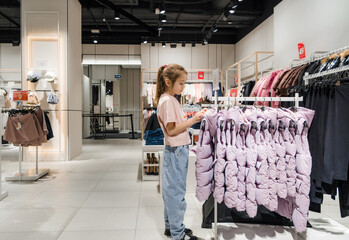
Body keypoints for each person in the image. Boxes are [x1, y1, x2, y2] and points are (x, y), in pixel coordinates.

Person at [156, 64, 204, 240]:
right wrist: (194, 120)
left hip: (174, 150)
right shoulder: (168, 101)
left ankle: (172, 228)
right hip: (176, 150)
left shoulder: (169, 99)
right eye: (181, 83)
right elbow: (172, 130)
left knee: (171, 191)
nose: (183, 87)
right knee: (176, 192)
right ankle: (178, 234)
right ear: (168, 82)